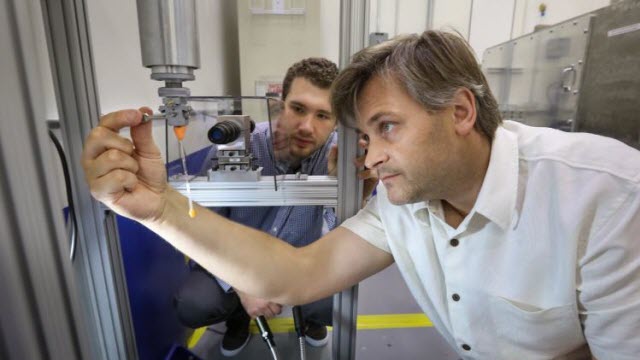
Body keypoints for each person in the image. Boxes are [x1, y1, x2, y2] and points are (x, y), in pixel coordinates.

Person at [82, 30, 640, 359]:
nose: (369, 159)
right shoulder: (406, 204)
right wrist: (157, 208)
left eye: (386, 127)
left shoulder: (607, 197)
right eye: (366, 137)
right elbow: (296, 274)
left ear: (461, 112)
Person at [173, 57, 340, 356]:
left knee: (341, 297)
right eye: (298, 109)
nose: (306, 126)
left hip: (302, 261)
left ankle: (310, 316)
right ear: (279, 104)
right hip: (239, 260)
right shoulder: (238, 144)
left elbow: (342, 233)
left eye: (323, 116)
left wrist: (350, 187)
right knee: (195, 303)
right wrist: (240, 284)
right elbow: (204, 227)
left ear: (337, 120)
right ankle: (239, 315)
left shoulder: (338, 154)